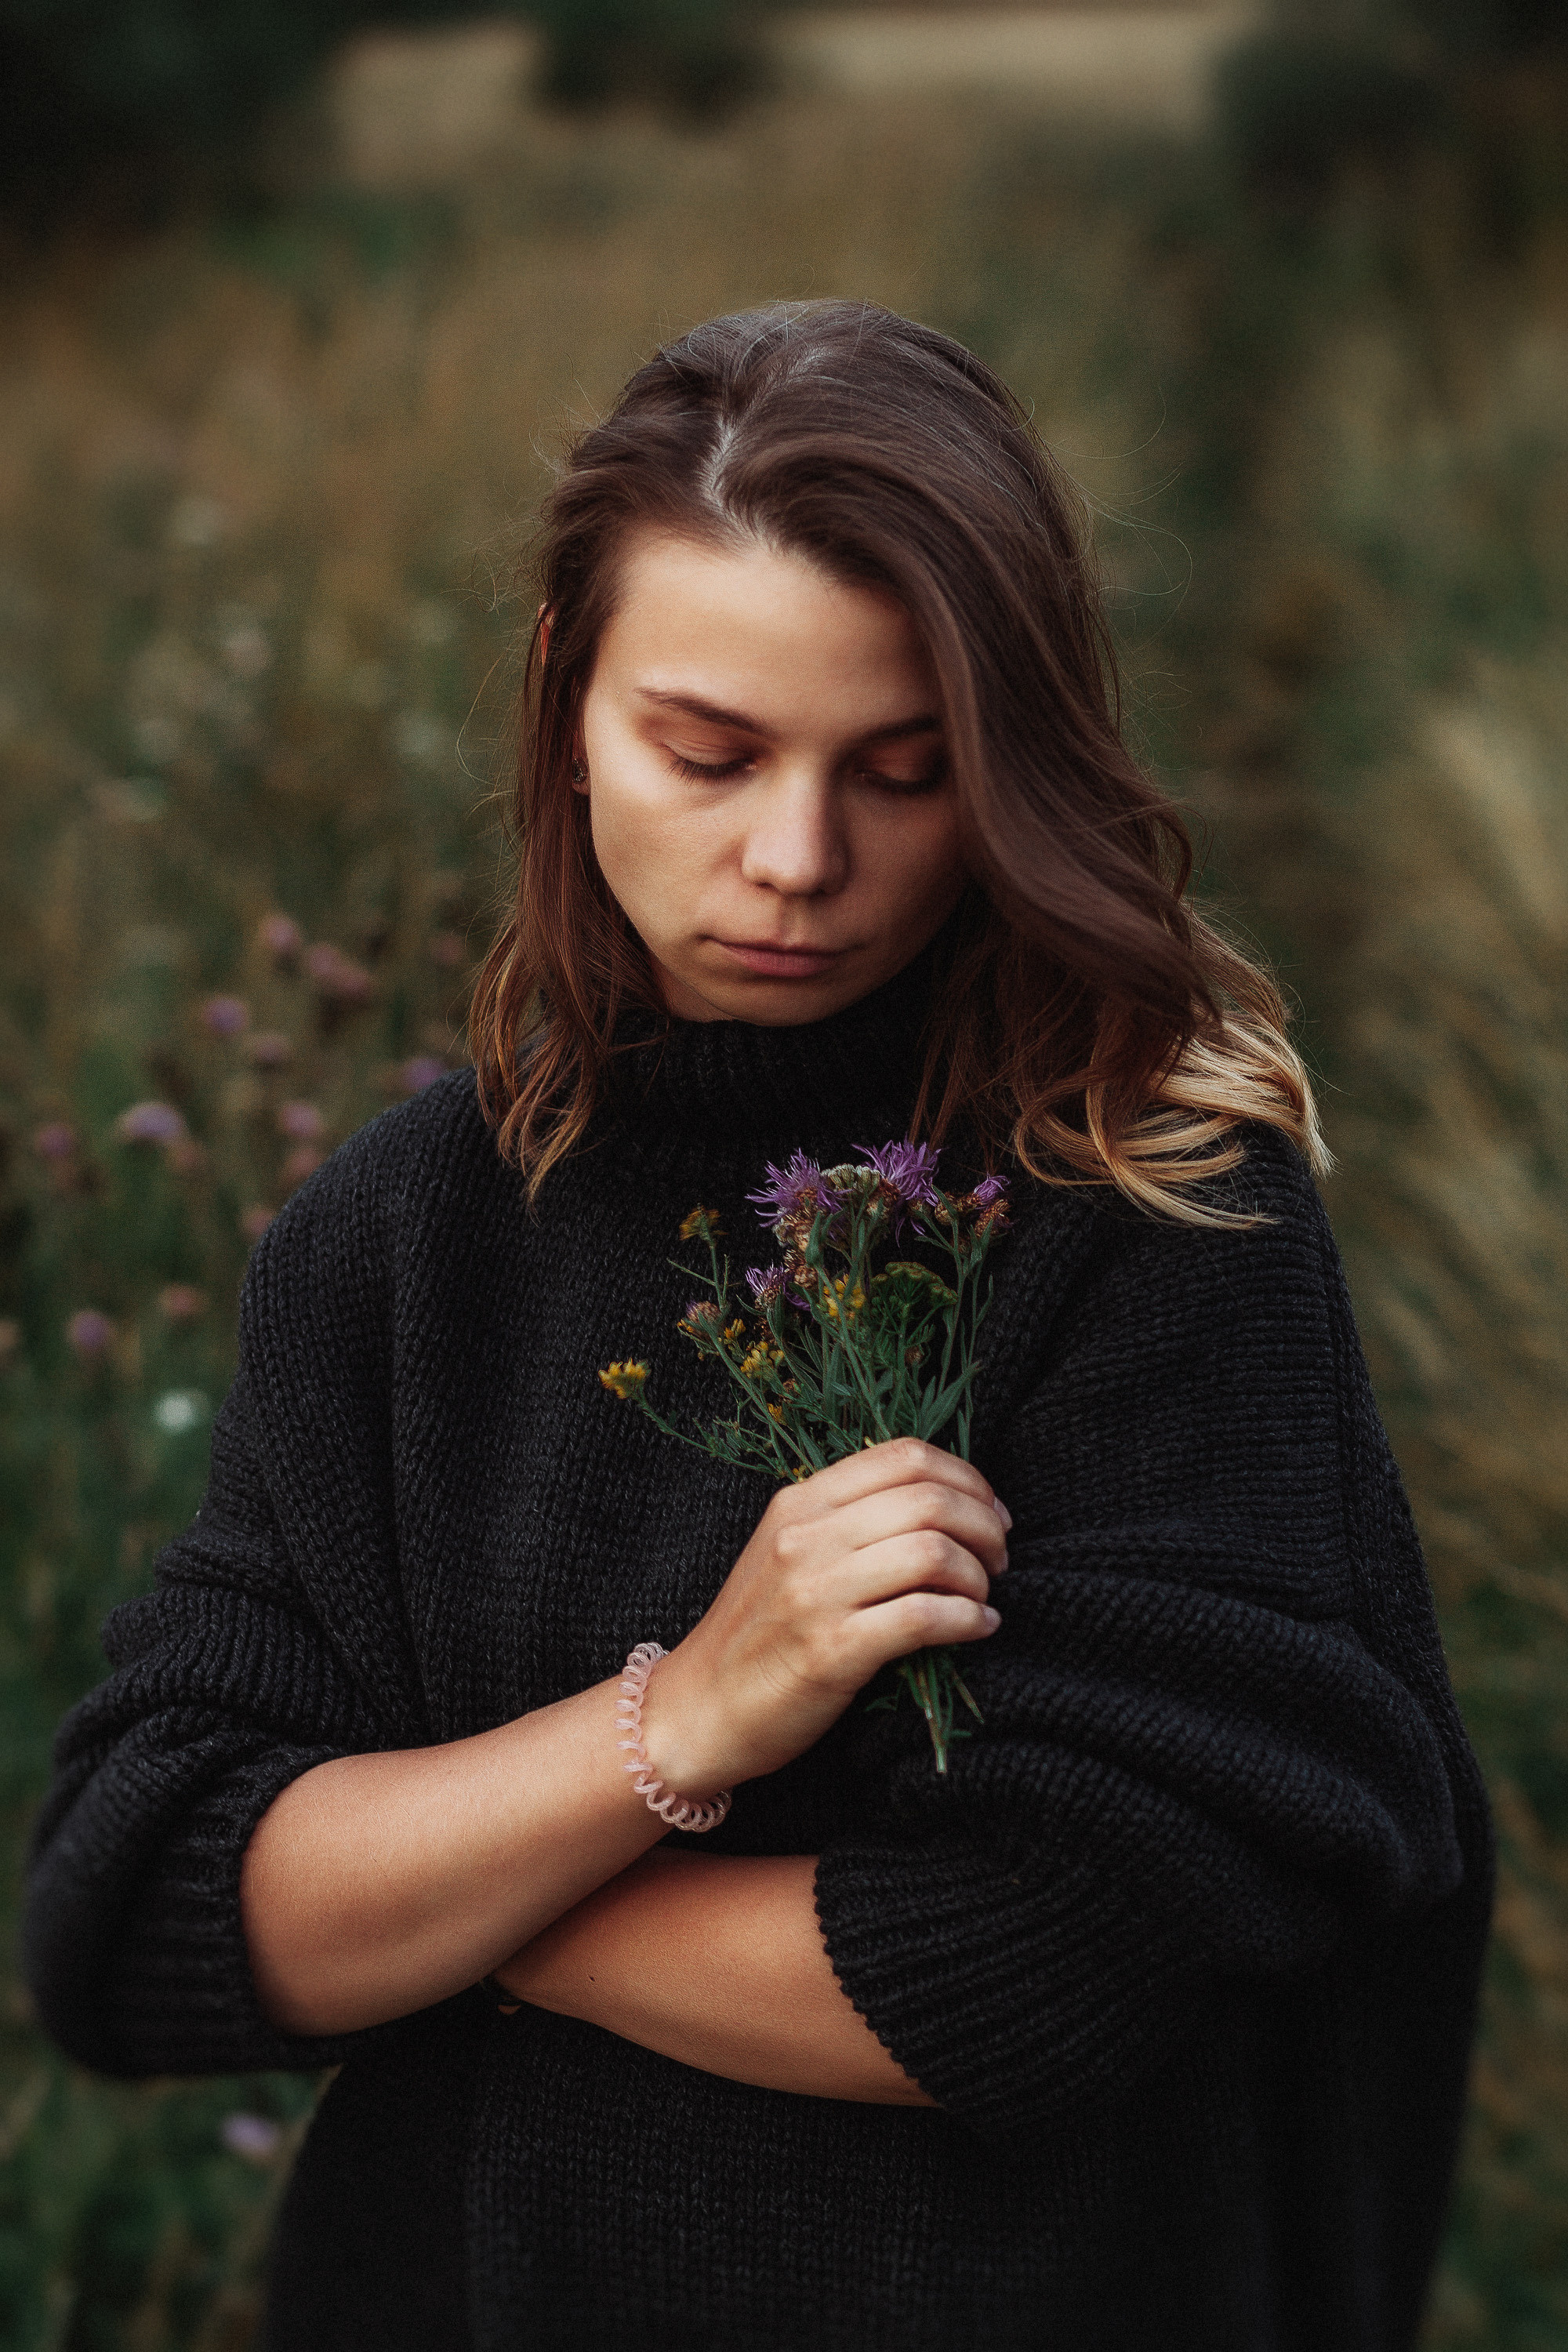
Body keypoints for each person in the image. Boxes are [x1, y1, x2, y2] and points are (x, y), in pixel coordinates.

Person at [24, 301, 1491, 2352]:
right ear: (563, 697)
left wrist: (458, 1901)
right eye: (708, 754)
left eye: (905, 774)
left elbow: (1053, 1959)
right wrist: (683, 1726)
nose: (798, 865)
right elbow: (143, 1893)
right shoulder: (397, 1239)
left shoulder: (1143, 1198)